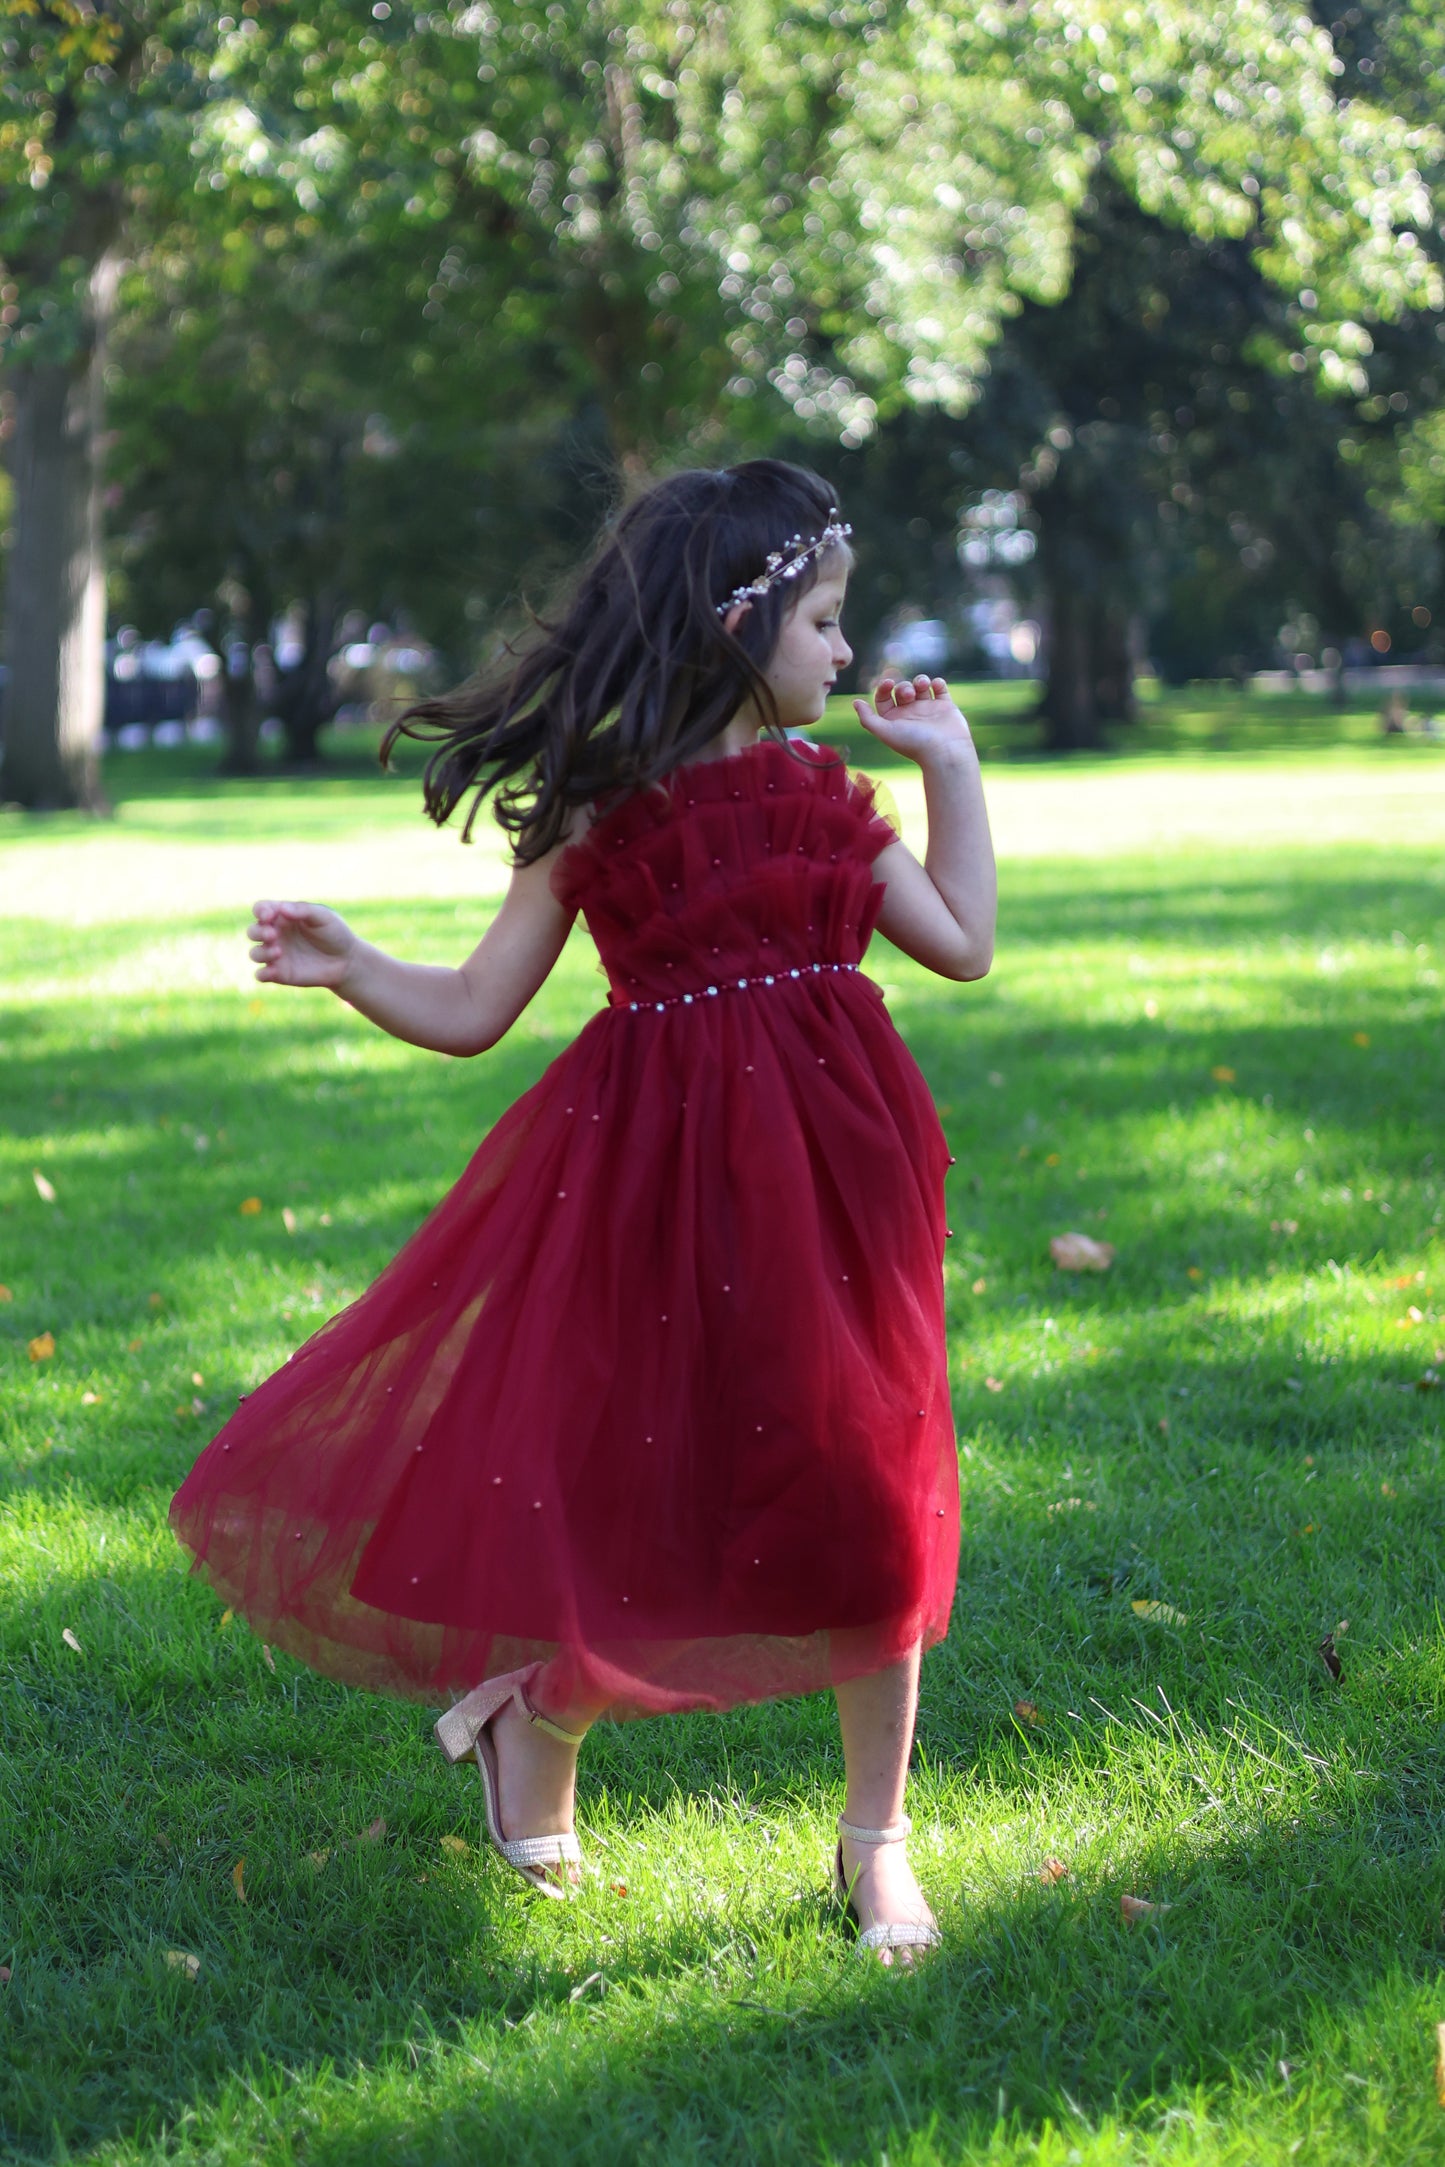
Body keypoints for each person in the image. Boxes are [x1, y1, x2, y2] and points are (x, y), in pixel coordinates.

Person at [170, 459, 997, 1962]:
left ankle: (875, 1841)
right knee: (663, 1501)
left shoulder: (831, 803)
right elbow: (481, 1006)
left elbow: (963, 945)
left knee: (873, 1494)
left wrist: (948, 766)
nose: (838, 649)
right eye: (819, 618)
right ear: (731, 622)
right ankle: (532, 1714)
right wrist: (356, 967)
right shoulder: (603, 821)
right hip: (660, 1199)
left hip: (844, 1183)